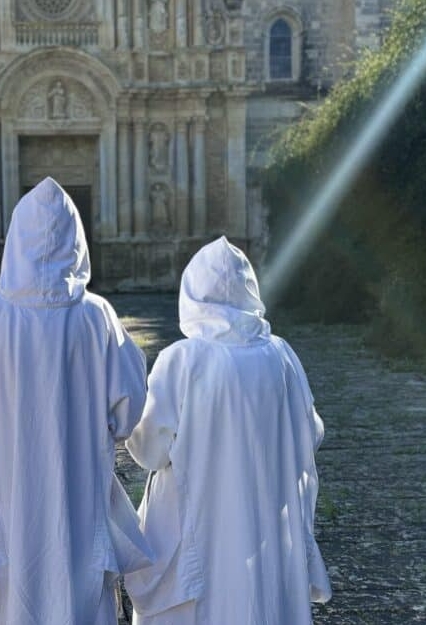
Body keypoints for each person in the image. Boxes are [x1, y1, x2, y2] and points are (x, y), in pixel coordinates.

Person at [0, 177, 153, 624]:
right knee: (78, 593)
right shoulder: (98, 318)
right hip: (79, 493)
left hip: (6, 489)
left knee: (8, 594)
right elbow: (129, 409)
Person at [124, 236, 331, 625]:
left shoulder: (182, 360)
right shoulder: (282, 355)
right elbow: (311, 433)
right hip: (263, 526)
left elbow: (149, 451)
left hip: (197, 528)